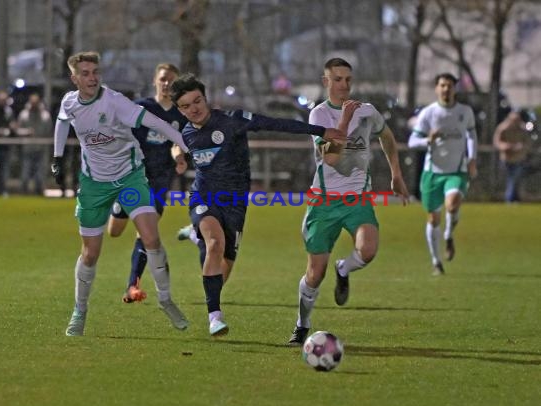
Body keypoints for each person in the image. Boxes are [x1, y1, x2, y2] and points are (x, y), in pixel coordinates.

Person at [170, 73, 346, 336]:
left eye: (197, 101)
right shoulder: (186, 132)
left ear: (205, 99)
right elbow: (177, 143)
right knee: (215, 244)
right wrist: (179, 157)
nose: (193, 109)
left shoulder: (232, 121)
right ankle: (214, 317)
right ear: (180, 110)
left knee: (223, 267)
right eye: (186, 106)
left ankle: (197, 238)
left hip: (236, 202)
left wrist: (321, 131)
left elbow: (276, 123)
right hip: (204, 198)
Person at [52, 51, 189, 336]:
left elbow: (158, 123)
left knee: (151, 237)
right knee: (90, 254)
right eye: (85, 73)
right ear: (74, 78)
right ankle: (80, 310)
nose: (92, 78)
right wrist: (57, 156)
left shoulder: (114, 101)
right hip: (94, 185)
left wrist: (184, 144)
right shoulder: (69, 102)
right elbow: (62, 120)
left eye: (95, 72)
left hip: (130, 178)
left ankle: (165, 299)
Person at [287, 57, 410, 346]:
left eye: (348, 80)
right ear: (325, 81)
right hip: (324, 202)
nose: (344, 85)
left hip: (358, 199)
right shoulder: (318, 116)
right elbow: (330, 157)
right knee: (314, 275)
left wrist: (396, 173)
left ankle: (344, 269)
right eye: (337, 79)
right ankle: (302, 325)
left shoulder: (366, 111)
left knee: (368, 250)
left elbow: (387, 136)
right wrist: (344, 119)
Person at [106, 63, 188, 303]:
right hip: (133, 177)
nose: (166, 84)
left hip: (160, 181)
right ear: (155, 81)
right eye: (163, 79)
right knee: (114, 231)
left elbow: (181, 143)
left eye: (171, 80)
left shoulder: (180, 115)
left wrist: (180, 157)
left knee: (146, 232)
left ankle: (132, 286)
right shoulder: (142, 108)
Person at [408, 72, 478, 276]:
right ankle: (436, 261)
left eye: (450, 85)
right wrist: (427, 140)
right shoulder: (429, 113)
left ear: (455, 88)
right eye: (442, 85)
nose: (446, 89)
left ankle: (448, 235)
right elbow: (413, 141)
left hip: (456, 170)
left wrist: (472, 158)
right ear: (437, 88)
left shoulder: (465, 112)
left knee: (453, 203)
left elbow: (471, 135)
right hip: (433, 173)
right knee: (433, 219)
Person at [17, 93, 53, 195]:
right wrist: (26, 132)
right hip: (27, 148)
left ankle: (39, 191)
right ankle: (24, 191)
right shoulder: (23, 115)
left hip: (41, 149)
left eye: (36, 103)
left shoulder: (45, 116)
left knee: (40, 173)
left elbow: (49, 131)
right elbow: (18, 130)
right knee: (25, 171)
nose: (34, 105)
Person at [493, 111, 532, 203]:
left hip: (519, 158)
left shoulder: (523, 129)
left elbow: (527, 143)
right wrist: (505, 146)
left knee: (514, 179)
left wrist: (520, 147)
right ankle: (512, 198)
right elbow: (497, 142)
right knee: (511, 179)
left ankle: (510, 198)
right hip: (506, 158)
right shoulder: (503, 128)